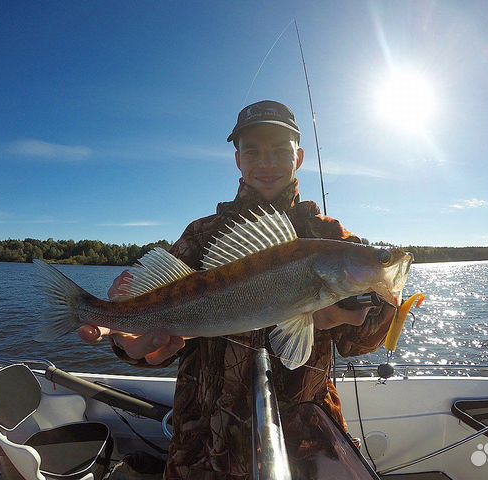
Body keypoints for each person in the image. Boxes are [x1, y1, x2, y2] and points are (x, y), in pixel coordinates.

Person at [79, 100, 396, 479]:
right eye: (253, 151)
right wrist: (131, 345)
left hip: (305, 434)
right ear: (237, 160)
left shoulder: (329, 237)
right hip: (204, 438)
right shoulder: (200, 235)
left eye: (280, 151)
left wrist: (347, 319)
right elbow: (155, 338)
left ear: (299, 158)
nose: (266, 162)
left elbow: (362, 341)